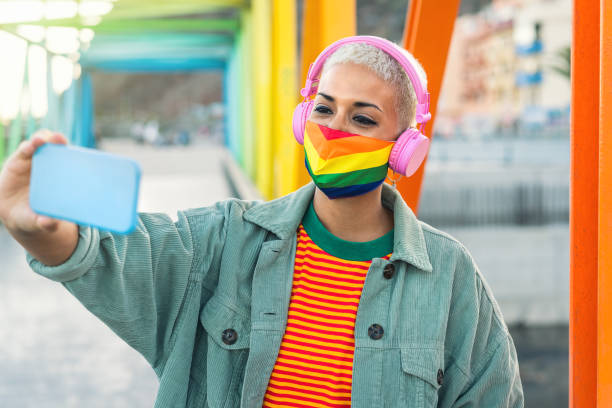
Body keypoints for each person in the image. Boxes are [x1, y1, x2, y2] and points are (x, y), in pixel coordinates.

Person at [0, 36, 524, 407]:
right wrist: (37, 230)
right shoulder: (223, 240)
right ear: (303, 120)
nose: (334, 130)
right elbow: (117, 256)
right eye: (324, 109)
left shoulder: (451, 278)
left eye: (363, 118)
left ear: (404, 150)